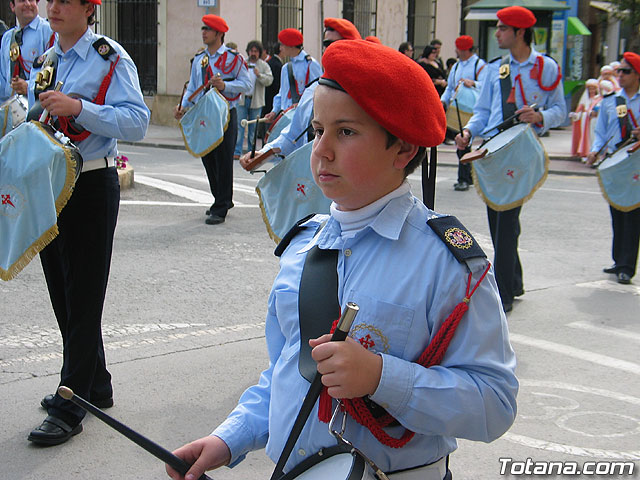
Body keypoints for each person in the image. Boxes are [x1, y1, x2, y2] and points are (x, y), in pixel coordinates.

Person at [167, 39, 518, 480]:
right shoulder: (303, 246)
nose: (321, 151)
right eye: (317, 130)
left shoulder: (445, 263)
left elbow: (495, 402)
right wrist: (228, 438)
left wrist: (380, 377)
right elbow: (288, 373)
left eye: (346, 132)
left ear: (403, 150)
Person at [26, 0, 149, 445]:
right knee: (63, 289)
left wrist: (78, 106)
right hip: (49, 185)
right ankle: (95, 383)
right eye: (50, 1)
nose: (52, 8)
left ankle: (71, 402)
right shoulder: (49, 58)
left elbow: (137, 121)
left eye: (64, 2)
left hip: (91, 183)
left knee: (83, 294)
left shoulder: (109, 58)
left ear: (88, 9)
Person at [455, 6, 566, 312]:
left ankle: (503, 290)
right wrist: (467, 130)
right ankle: (514, 280)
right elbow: (483, 112)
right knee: (498, 218)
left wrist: (540, 114)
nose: (497, 33)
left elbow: (561, 109)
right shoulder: (494, 69)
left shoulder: (546, 68)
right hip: (494, 150)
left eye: (503, 28)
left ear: (520, 32)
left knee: (506, 219)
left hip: (521, 152)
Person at [239, 17, 361, 165]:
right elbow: (292, 134)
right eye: (326, 44)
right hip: (307, 141)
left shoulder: (363, 91)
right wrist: (264, 153)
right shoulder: (313, 89)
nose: (330, 49)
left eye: (336, 44)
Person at [174, 14, 251, 225]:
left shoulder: (234, 58)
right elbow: (193, 87)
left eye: (208, 29)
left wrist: (226, 86)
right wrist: (183, 107)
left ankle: (221, 205)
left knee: (224, 158)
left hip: (226, 113)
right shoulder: (200, 59)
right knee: (207, 156)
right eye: (203, 29)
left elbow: (247, 85)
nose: (203, 33)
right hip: (205, 115)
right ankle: (221, 197)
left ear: (219, 34)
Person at [586, 52, 640, 285]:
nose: (620, 75)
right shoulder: (611, 102)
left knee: (633, 215)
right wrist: (595, 150)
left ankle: (627, 266)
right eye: (619, 71)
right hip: (615, 162)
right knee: (617, 212)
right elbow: (602, 133)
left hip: (636, 163)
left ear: (637, 75)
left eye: (625, 71)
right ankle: (618, 260)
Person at [440, 35, 487, 191]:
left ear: (465, 50)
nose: (456, 51)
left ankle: (463, 178)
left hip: (472, 111)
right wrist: (443, 102)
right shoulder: (456, 66)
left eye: (458, 49)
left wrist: (473, 83)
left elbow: (487, 87)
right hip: (457, 110)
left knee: (463, 144)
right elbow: (450, 87)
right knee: (463, 143)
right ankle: (468, 176)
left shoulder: (480, 65)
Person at [263, 28, 321, 123]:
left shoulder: (311, 64)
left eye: (282, 45)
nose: (280, 48)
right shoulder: (286, 68)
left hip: (304, 119)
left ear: (291, 46)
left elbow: (318, 92)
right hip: (287, 117)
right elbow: (282, 94)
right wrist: (274, 111)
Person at [0, 0, 54, 103]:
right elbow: (2, 80)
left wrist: (29, 86)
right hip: (11, 111)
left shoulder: (49, 32)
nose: (28, 4)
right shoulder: (7, 37)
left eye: (31, 0)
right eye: (22, 0)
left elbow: (56, 72)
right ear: (12, 6)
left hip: (38, 107)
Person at [234, 40, 273, 158]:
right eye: (251, 51)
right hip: (242, 99)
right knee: (239, 127)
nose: (253, 53)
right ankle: (237, 151)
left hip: (256, 102)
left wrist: (259, 75)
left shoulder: (263, 65)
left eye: (256, 51)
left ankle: (251, 152)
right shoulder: (243, 63)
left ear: (259, 52)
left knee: (253, 129)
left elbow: (269, 80)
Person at [570, 78, 601, 159]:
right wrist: (576, 115)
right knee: (587, 137)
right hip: (585, 122)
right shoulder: (584, 100)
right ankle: (585, 153)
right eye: (590, 88)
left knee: (594, 137)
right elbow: (579, 112)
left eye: (593, 88)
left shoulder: (599, 99)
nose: (592, 90)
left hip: (595, 121)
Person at [260, 42, 282, 139]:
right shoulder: (277, 64)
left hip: (268, 97)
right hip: (272, 97)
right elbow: (278, 85)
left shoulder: (271, 62)